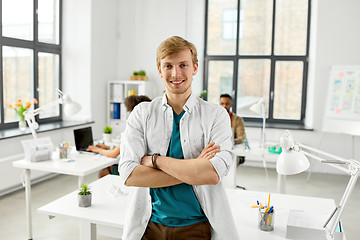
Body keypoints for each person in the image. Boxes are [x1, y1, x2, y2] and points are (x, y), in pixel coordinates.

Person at [118, 36, 239, 240]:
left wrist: (155, 161)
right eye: (168, 66)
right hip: (148, 226)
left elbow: (212, 174)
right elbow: (130, 175)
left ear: (195, 68)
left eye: (183, 65)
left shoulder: (216, 115)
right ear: (159, 70)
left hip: (195, 226)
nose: (176, 73)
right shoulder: (142, 113)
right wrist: (194, 168)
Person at [87, 95, 151, 178]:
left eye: (129, 110)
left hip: (131, 170)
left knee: (103, 171)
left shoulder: (132, 130)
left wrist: (96, 149)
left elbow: (112, 154)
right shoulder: (149, 127)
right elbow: (124, 147)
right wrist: (108, 147)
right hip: (143, 168)